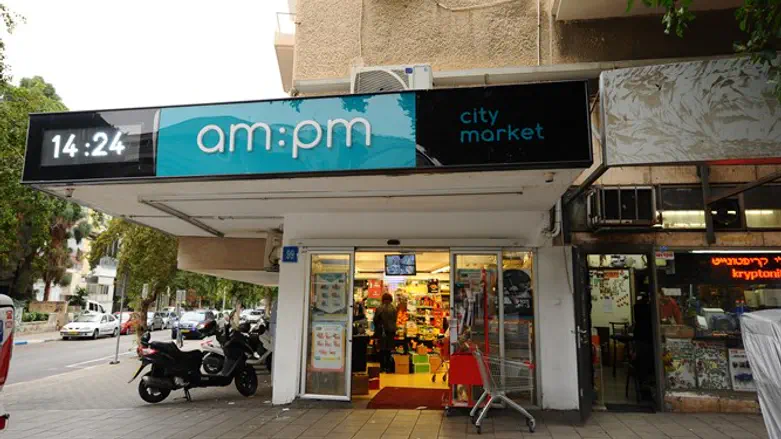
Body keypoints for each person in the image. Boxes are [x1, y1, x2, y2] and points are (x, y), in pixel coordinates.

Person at [373, 293, 397, 373]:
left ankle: (382, 367)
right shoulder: (394, 308)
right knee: (389, 350)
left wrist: (377, 330)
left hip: (382, 332)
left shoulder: (380, 308)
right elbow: (395, 320)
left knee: (382, 350)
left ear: (383, 299)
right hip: (391, 332)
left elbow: (375, 320)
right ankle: (388, 368)